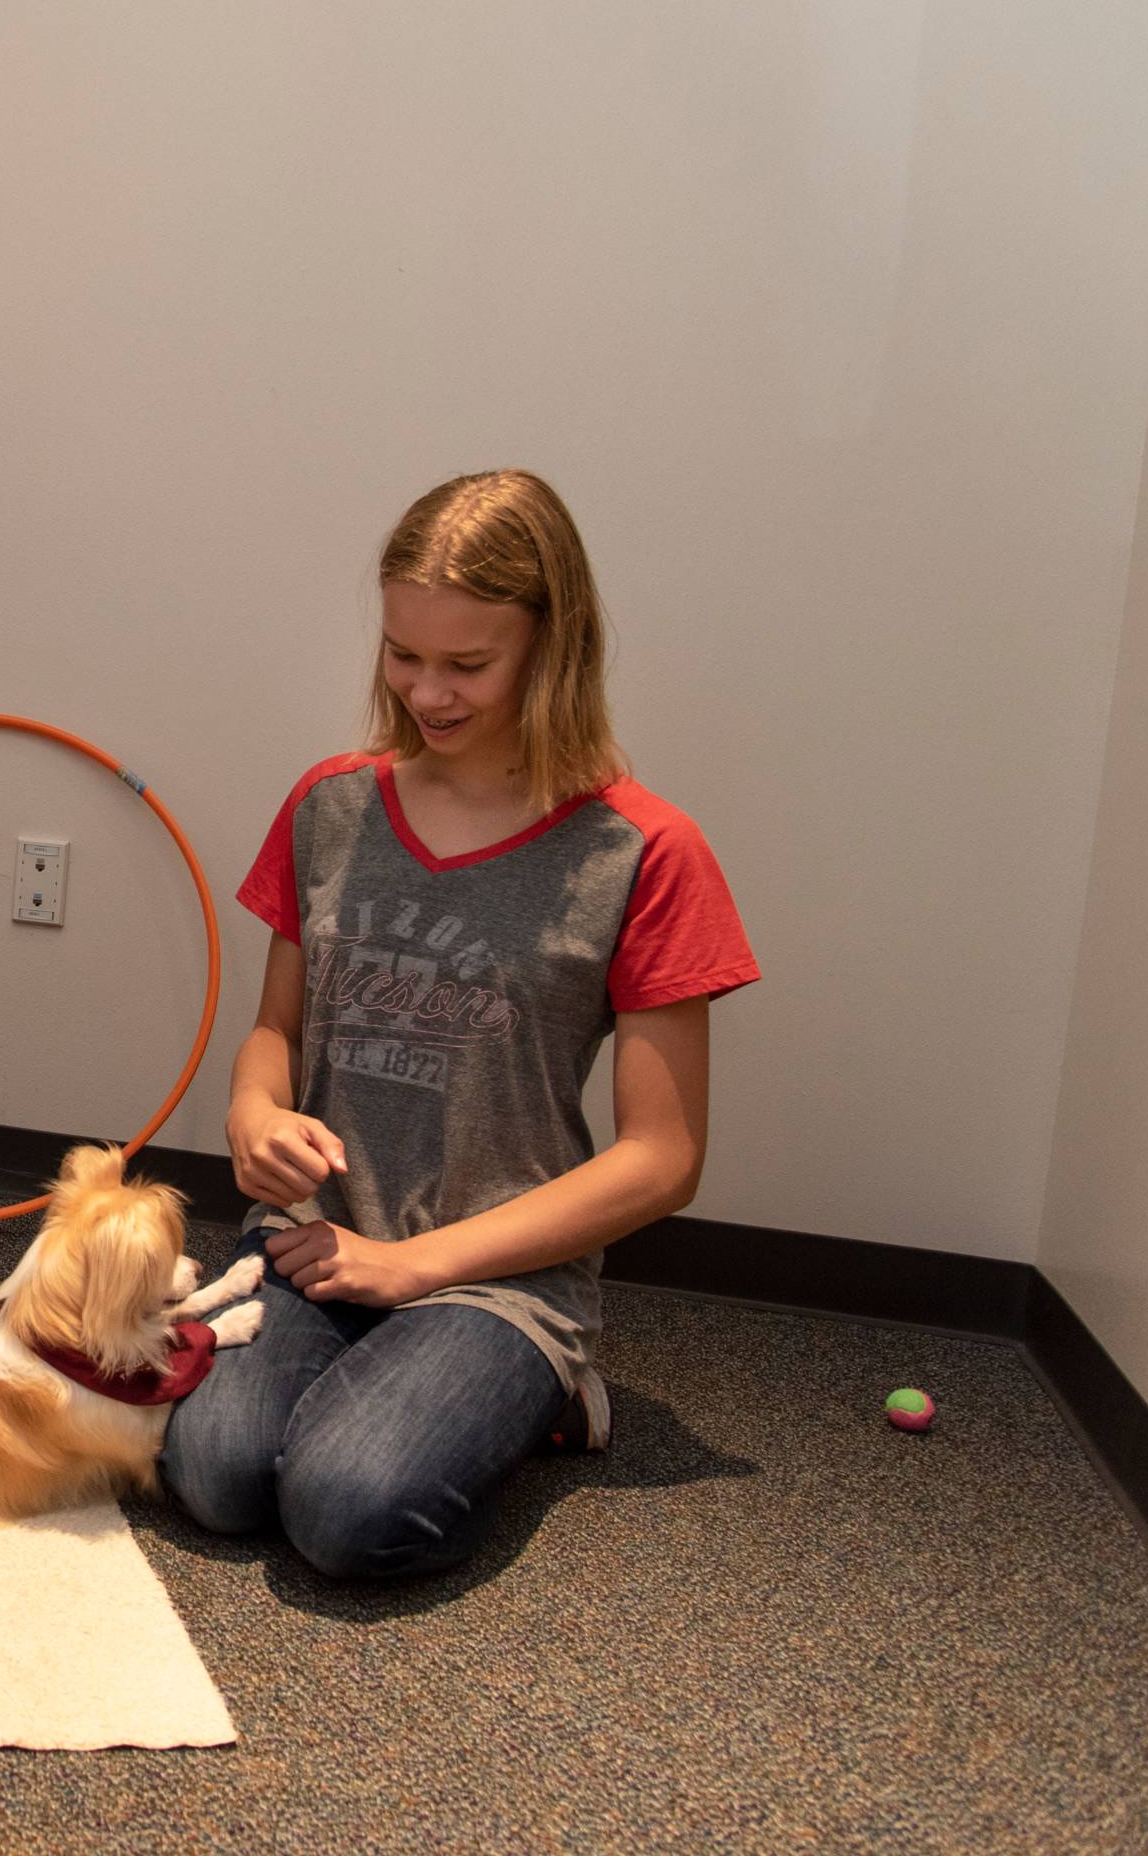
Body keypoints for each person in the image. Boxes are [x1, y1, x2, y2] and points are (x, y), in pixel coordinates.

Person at [159, 469, 757, 1578]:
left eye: (466, 664)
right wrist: (249, 1105)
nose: (425, 691)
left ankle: (551, 1389)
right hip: (316, 1238)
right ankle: (395, 1378)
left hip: (497, 1274)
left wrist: (413, 1268)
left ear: (551, 646)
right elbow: (273, 1028)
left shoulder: (642, 852)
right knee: (211, 1474)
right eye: (402, 654)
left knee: (344, 1511)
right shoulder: (329, 805)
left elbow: (662, 1160)